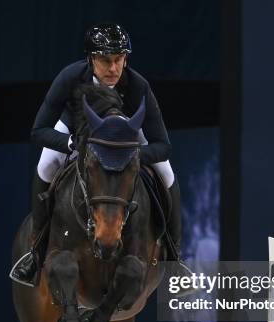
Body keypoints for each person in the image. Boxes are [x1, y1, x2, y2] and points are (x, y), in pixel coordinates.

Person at [10, 23, 189, 287]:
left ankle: (175, 258)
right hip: (77, 131)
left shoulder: (138, 86)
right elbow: (39, 130)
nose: (113, 69)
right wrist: (72, 143)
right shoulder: (70, 77)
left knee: (167, 172)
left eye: (119, 60)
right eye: (106, 61)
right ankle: (35, 252)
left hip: (125, 138)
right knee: (46, 165)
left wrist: (134, 155)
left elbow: (164, 145)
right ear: (91, 59)